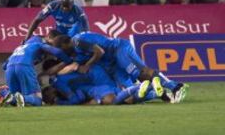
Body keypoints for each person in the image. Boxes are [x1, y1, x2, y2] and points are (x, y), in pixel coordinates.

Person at [55, 32, 189, 103]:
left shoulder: (77, 41)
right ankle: (163, 95)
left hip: (118, 49)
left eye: (60, 49)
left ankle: (175, 87)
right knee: (129, 94)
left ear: (65, 43)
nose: (61, 52)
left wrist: (87, 66)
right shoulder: (76, 50)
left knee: (141, 73)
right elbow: (70, 64)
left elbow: (100, 51)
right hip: (113, 63)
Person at [0, 41, 73, 107]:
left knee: (16, 101)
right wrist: (69, 61)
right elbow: (57, 52)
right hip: (24, 66)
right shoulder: (39, 44)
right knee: (37, 100)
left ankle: (4, 93)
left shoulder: (19, 48)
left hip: (9, 69)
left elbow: (4, 66)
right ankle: (13, 96)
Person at [25, 0, 89, 41]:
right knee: (49, 35)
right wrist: (27, 38)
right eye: (63, 6)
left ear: (72, 5)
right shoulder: (53, 6)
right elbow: (37, 20)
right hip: (58, 34)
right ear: (61, 2)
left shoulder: (79, 12)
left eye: (68, 8)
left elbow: (86, 30)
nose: (65, 9)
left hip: (72, 36)